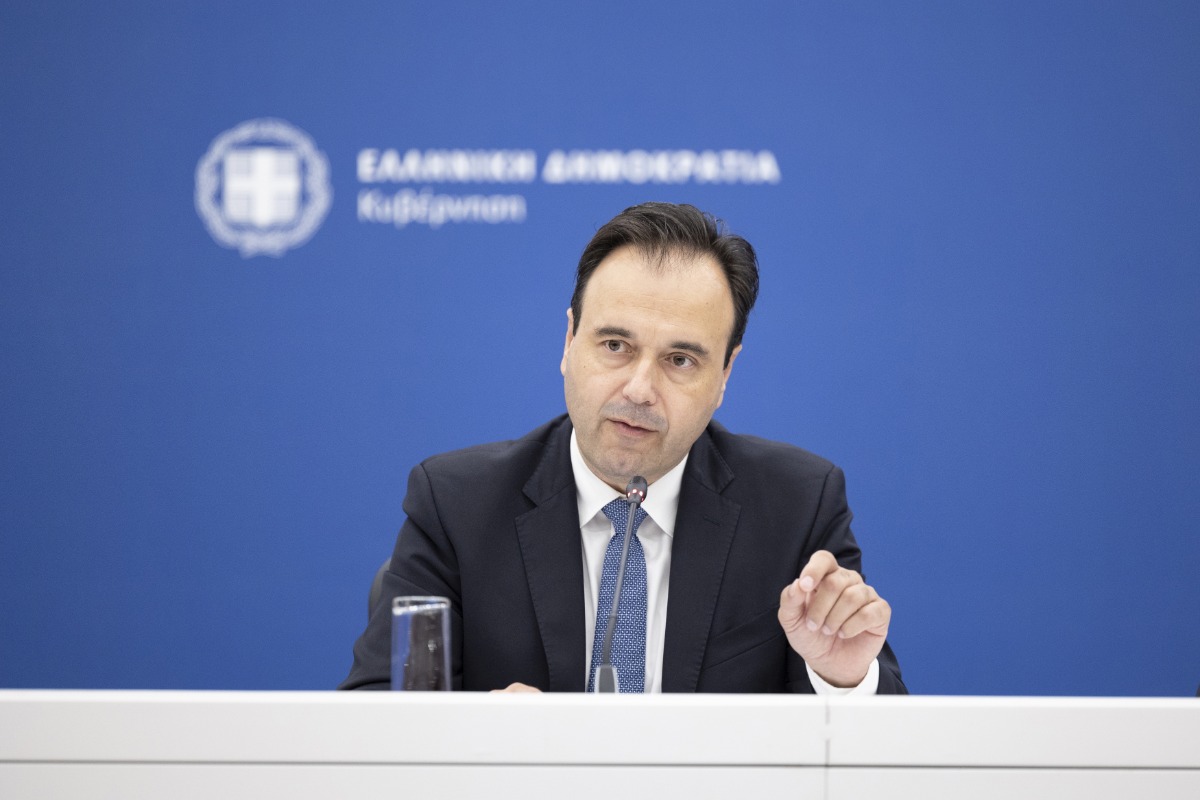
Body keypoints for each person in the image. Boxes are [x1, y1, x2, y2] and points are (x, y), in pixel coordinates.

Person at [341, 202, 905, 694]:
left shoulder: (796, 508)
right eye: (615, 345)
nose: (639, 389)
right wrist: (485, 737)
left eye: (680, 360)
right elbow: (374, 719)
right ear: (569, 342)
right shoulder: (456, 505)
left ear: (725, 374)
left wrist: (841, 679)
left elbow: (883, 751)